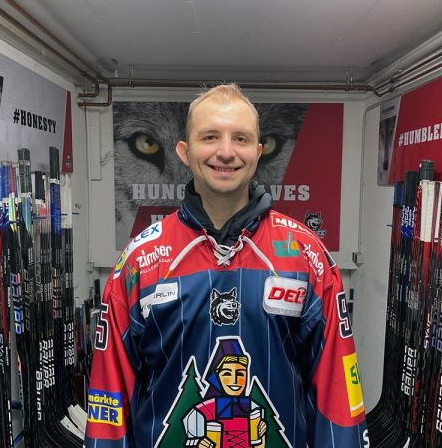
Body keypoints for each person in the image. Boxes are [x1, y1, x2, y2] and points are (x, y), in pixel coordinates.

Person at [84, 84, 369, 448]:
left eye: (241, 138)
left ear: (258, 152)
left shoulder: (306, 255)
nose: (226, 152)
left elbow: (338, 394)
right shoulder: (139, 261)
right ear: (185, 152)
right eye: (210, 137)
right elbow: (109, 400)